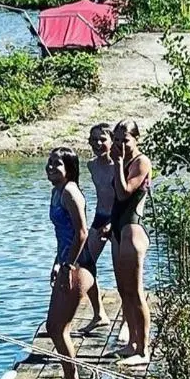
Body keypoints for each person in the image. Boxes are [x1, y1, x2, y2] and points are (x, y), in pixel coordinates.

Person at [45, 146, 96, 379]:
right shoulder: (57, 191)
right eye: (50, 163)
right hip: (67, 263)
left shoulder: (70, 192)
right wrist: (57, 261)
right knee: (54, 327)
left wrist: (67, 266)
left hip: (78, 265)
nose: (51, 167)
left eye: (58, 164)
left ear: (70, 168)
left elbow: (82, 233)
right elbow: (61, 235)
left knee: (57, 327)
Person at [109, 120, 153, 367]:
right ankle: (132, 343)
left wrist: (117, 163)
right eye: (116, 140)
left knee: (136, 292)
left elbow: (125, 192)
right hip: (117, 229)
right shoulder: (119, 161)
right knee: (123, 290)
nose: (120, 145)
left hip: (133, 230)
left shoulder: (141, 161)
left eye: (124, 140)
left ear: (136, 139)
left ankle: (143, 350)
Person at [79, 123, 116, 333]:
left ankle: (129, 324)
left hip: (119, 219)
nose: (98, 144)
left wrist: (113, 224)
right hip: (100, 218)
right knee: (85, 263)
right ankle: (99, 313)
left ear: (112, 141)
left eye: (102, 139)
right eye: (94, 140)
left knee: (125, 272)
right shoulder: (91, 165)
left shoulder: (120, 166)